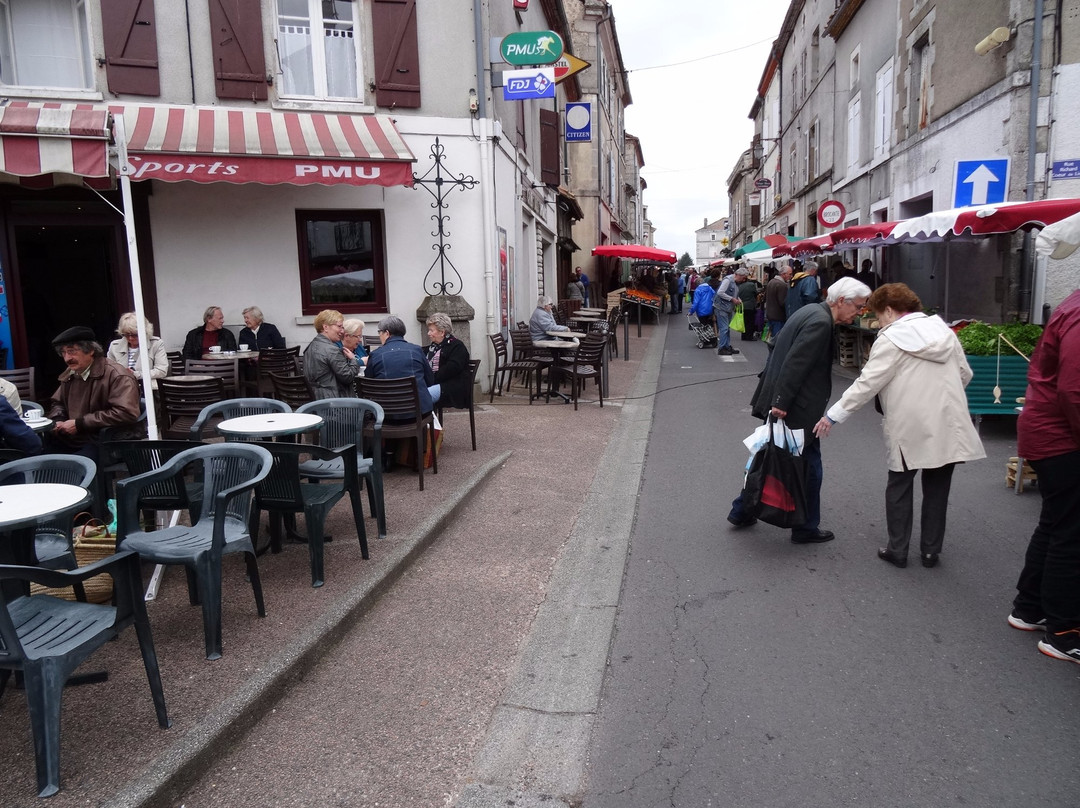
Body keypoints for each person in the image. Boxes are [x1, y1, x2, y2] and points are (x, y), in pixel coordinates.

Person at [812, 283, 985, 568]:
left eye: (879, 315)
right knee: (938, 486)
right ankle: (930, 551)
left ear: (890, 311)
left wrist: (833, 415)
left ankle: (898, 549)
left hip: (909, 421)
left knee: (900, 486)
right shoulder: (944, 332)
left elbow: (868, 383)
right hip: (947, 418)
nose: (880, 322)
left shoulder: (891, 339)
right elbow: (964, 373)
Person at [727, 277, 873, 543]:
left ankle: (742, 510)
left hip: (786, 402)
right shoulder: (820, 322)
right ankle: (805, 527)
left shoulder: (811, 311)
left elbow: (776, 344)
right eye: (859, 306)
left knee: (768, 456)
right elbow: (796, 363)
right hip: (796, 408)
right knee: (808, 468)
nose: (860, 312)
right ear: (842, 301)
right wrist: (781, 402)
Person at [1009, 287, 1080, 664]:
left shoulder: (1074, 303)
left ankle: (1030, 609)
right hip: (1061, 437)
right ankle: (1064, 631)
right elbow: (1074, 390)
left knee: (1056, 524)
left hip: (1048, 431)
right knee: (1071, 533)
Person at [44, 326, 143, 463]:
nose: (67, 358)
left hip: (106, 440)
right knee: (42, 459)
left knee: (74, 466)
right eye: (63, 352)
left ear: (90, 350)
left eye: (72, 351)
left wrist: (81, 423)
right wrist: (58, 419)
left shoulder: (117, 375)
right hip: (75, 438)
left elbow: (126, 413)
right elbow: (58, 402)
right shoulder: (71, 372)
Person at [365, 315, 435, 416]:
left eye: (379, 332)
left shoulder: (375, 355)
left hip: (386, 414)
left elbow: (369, 385)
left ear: (387, 333)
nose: (379, 336)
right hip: (418, 413)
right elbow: (430, 380)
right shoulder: (417, 350)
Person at [303, 309, 359, 399]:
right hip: (334, 401)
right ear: (325, 327)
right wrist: (353, 360)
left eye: (342, 327)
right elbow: (348, 377)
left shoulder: (310, 347)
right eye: (339, 326)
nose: (342, 331)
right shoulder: (332, 350)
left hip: (315, 399)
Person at [424, 312, 470, 407]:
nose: (428, 333)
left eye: (431, 330)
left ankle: (426, 417)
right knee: (411, 394)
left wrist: (430, 379)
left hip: (451, 388)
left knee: (419, 398)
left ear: (442, 332)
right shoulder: (432, 348)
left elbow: (451, 369)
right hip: (434, 384)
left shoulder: (457, 347)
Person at [106, 312, 169, 380]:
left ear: (145, 332)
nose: (130, 338)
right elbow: (109, 371)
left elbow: (161, 371)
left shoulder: (156, 344)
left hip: (147, 385)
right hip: (122, 385)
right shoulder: (114, 346)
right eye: (126, 334)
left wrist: (137, 374)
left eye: (135, 335)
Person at [714, 267, 744, 355]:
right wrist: (732, 299)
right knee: (724, 328)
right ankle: (722, 348)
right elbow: (720, 292)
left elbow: (733, 293)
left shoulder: (733, 281)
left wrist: (738, 299)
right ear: (738, 275)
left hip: (727, 307)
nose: (743, 280)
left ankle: (727, 346)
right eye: (743, 278)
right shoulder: (728, 280)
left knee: (726, 328)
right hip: (722, 307)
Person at [765, 264, 792, 340]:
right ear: (784, 274)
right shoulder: (781, 285)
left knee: (771, 338)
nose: (791, 276)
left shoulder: (771, 282)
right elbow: (783, 302)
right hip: (778, 316)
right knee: (777, 339)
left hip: (770, 314)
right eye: (789, 274)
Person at [737, 270, 762, 342]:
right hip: (750, 306)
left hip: (741, 305)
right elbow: (755, 293)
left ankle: (744, 335)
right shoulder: (751, 285)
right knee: (750, 322)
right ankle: (749, 336)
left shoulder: (739, 286)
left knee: (744, 321)